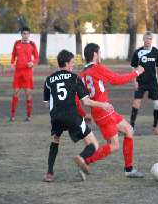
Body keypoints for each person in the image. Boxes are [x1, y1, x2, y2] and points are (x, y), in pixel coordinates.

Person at [76, 43, 145, 178]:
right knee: (114, 145)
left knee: (129, 130)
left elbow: (76, 99)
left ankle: (129, 169)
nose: (100, 55)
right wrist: (137, 72)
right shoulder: (96, 68)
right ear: (94, 54)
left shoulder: (81, 75)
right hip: (103, 112)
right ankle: (85, 161)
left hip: (105, 111)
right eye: (99, 53)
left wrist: (84, 115)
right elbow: (117, 80)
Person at [43, 49, 113, 182]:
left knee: (56, 139)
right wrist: (102, 104)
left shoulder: (49, 79)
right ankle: (82, 158)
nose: (73, 65)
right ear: (66, 63)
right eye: (72, 62)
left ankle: (49, 174)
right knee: (94, 144)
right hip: (72, 116)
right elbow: (86, 101)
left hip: (56, 117)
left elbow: (47, 105)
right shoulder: (75, 78)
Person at [130, 31, 158, 135]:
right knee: (136, 103)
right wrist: (134, 80)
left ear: (151, 40)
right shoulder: (138, 52)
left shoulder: (155, 52)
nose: (148, 41)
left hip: (153, 82)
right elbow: (133, 67)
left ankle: (155, 126)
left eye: (150, 39)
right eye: (147, 38)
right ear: (143, 39)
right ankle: (131, 127)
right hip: (141, 82)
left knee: (157, 105)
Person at [9, 26, 39, 122]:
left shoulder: (32, 44)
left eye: (27, 33)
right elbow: (13, 54)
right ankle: (13, 116)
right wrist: (11, 64)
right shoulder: (17, 43)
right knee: (16, 92)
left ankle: (29, 115)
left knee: (27, 93)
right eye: (24, 33)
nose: (26, 35)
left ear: (29, 34)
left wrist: (32, 63)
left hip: (27, 72)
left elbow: (37, 57)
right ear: (21, 34)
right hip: (18, 71)